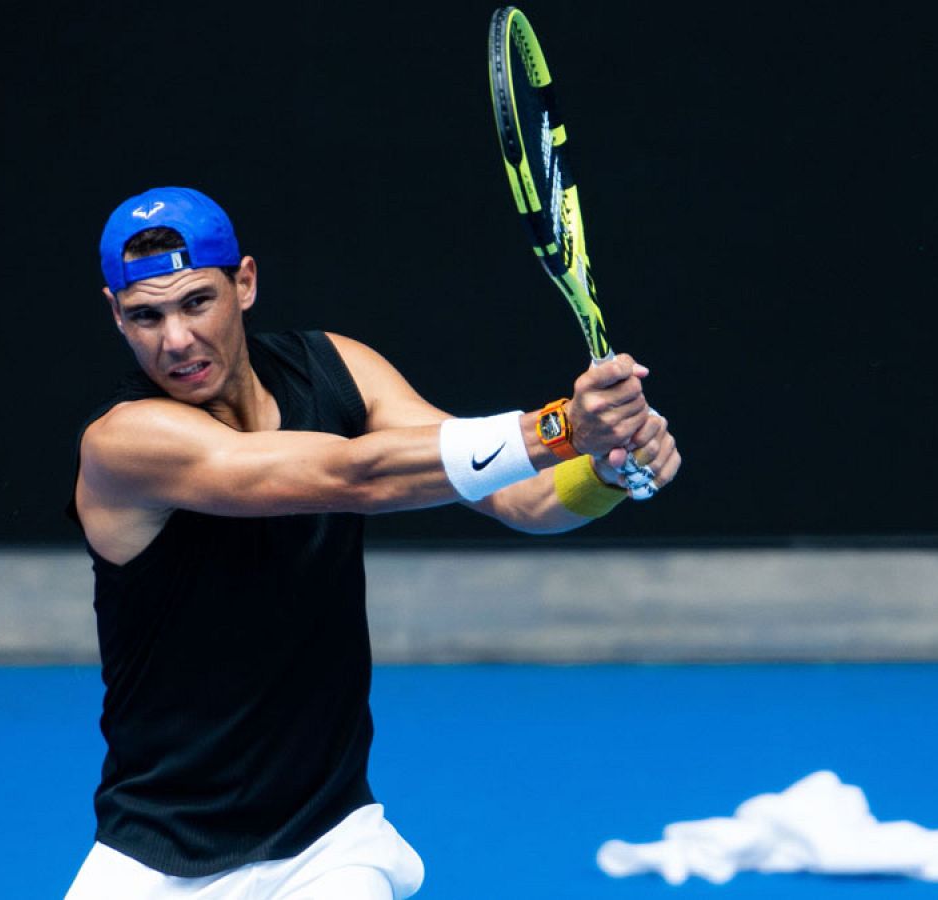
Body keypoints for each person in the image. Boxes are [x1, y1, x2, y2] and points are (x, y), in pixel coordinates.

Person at [63, 186, 680, 899]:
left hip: (329, 843)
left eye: (196, 302)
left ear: (245, 282)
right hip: (156, 856)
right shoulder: (124, 442)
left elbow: (519, 496)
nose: (175, 339)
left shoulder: (338, 370)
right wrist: (563, 428)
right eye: (146, 316)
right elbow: (352, 475)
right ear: (116, 314)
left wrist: (603, 471)